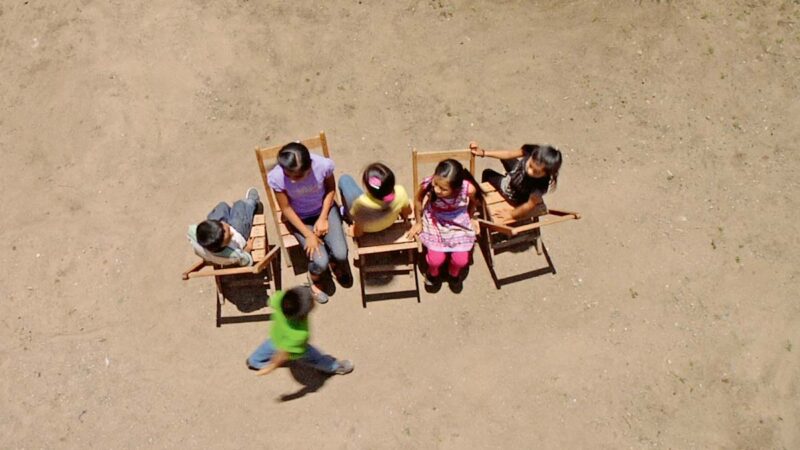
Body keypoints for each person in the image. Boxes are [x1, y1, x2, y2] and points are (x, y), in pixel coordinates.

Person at [267, 142, 350, 303]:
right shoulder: (277, 177)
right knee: (320, 261)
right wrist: (308, 234)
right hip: (299, 218)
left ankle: (333, 261)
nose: (292, 180)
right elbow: (286, 208)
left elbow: (330, 190)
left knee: (341, 253)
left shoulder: (322, 166)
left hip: (324, 210)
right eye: (288, 175)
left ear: (310, 166)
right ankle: (315, 277)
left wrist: (324, 217)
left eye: (297, 176)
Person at [407, 159, 483, 293]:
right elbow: (418, 200)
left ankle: (453, 274)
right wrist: (419, 223)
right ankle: (433, 273)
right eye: (435, 184)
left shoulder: (468, 189)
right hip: (435, 219)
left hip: (458, 220)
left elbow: (474, 202)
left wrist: (469, 217)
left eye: (443, 189)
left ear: (456, 188)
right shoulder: (428, 184)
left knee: (461, 260)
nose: (436, 189)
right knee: (435, 260)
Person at [247, 286, 354, 376]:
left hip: (275, 338)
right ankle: (333, 367)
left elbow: (272, 299)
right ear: (303, 316)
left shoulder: (280, 299)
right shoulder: (299, 334)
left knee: (257, 357)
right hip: (296, 350)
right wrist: (272, 366)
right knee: (314, 357)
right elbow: (283, 353)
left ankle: (254, 363)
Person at [469, 141, 562, 222]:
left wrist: (511, 215)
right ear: (533, 155)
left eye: (536, 172)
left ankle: (482, 201)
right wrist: (483, 153)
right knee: (506, 158)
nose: (530, 171)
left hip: (513, 192)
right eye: (530, 165)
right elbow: (509, 154)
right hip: (517, 174)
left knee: (487, 173)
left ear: (546, 174)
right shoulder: (532, 150)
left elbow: (529, 205)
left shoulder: (540, 185)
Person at [187, 188, 260, 266]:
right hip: (239, 232)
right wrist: (248, 248)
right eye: (229, 236)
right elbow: (246, 260)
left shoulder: (193, 234)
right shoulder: (233, 255)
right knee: (239, 206)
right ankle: (251, 202)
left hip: (212, 237)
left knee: (222, 206)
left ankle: (234, 213)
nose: (231, 232)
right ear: (223, 245)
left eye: (223, 225)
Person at [338, 162, 412, 237]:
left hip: (368, 229)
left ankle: (346, 214)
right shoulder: (400, 192)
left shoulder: (360, 203)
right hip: (390, 222)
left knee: (344, 179)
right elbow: (407, 212)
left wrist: (353, 232)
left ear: (368, 188)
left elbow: (359, 230)